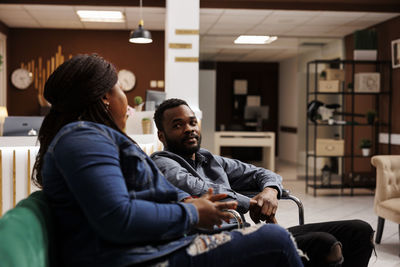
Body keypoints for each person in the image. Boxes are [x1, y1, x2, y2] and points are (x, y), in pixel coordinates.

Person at [31, 54, 304, 267]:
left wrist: (185, 201)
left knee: (331, 238)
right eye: (119, 90)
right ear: (104, 97)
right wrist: (193, 212)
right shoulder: (82, 139)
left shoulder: (92, 138)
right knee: (276, 239)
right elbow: (117, 218)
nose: (126, 103)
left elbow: (142, 194)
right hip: (137, 258)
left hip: (153, 248)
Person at [151, 98, 375, 267]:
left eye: (192, 122)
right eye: (178, 125)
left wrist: (269, 192)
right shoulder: (162, 163)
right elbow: (203, 190)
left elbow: (262, 173)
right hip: (218, 242)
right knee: (324, 243)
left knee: (359, 230)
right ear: (162, 136)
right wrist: (252, 203)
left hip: (247, 231)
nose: (189, 128)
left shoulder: (209, 159)